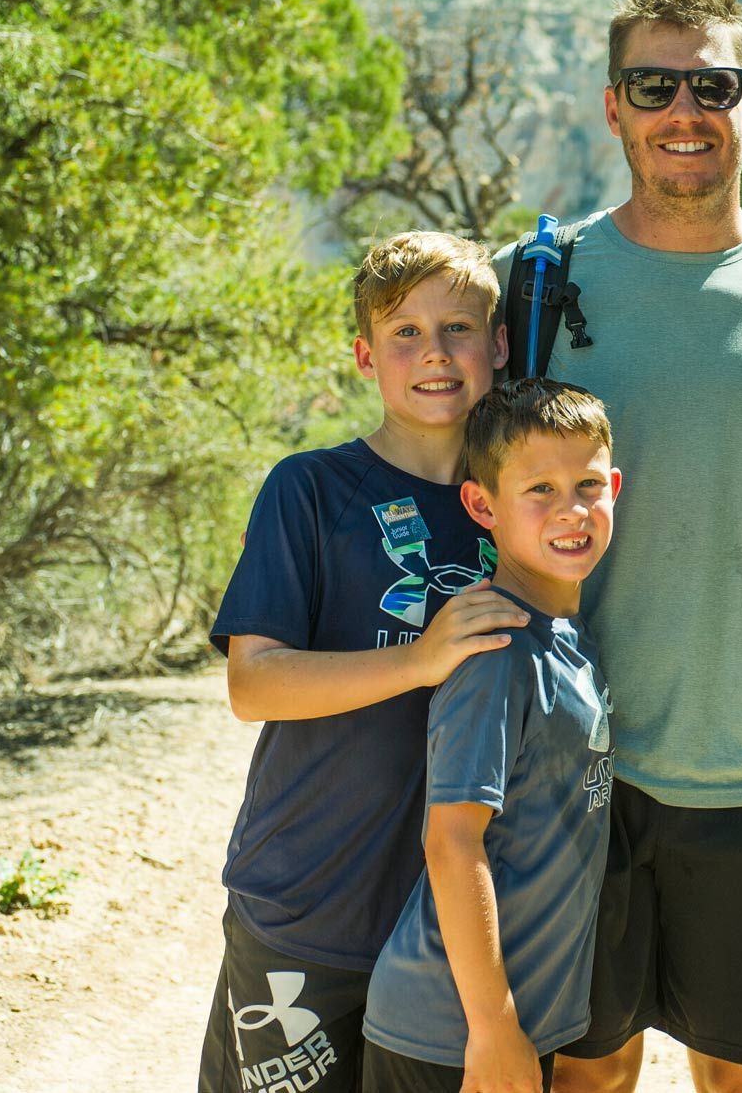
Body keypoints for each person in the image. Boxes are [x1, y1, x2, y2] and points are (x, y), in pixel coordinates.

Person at [492, 0, 742, 1093]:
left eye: (711, 85)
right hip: (568, 767)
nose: (684, 112)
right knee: (587, 1073)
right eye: (653, 85)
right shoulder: (536, 284)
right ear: (612, 107)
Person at [199, 232, 531, 1093]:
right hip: (306, 904)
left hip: (450, 930)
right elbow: (253, 682)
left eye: (459, 328)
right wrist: (420, 660)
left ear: (498, 345)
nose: (435, 354)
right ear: (364, 356)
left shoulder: (523, 512)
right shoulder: (309, 490)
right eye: (405, 334)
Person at [361, 378, 621, 1093]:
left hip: (504, 1026)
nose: (571, 510)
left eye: (588, 485)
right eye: (539, 489)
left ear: (615, 488)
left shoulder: (570, 634)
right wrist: (494, 1026)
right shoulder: (496, 648)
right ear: (483, 505)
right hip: (451, 1033)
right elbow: (452, 841)